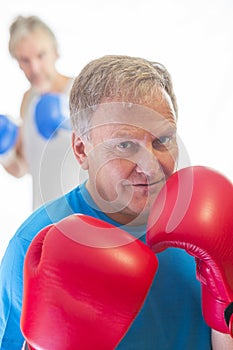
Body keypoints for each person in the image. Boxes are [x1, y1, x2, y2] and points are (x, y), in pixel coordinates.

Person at [0, 55, 232, 349]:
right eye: (125, 145)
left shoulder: (210, 219)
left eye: (163, 140)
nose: (150, 166)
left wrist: (227, 302)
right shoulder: (33, 244)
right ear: (82, 150)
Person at [1, 15, 82, 209]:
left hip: (82, 217)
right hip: (43, 217)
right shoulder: (28, 100)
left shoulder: (80, 90)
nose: (34, 68)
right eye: (25, 60)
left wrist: (68, 122)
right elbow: (23, 168)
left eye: (40, 55)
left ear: (55, 52)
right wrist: (5, 153)